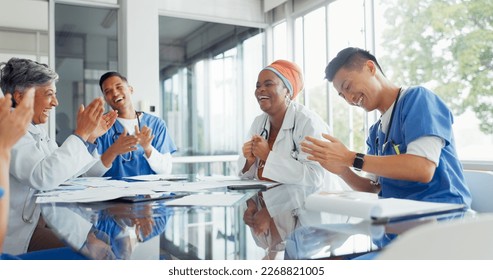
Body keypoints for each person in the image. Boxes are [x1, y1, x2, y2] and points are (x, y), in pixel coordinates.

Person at [301, 47, 471, 207]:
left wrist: (350, 157)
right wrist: (343, 170)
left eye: (348, 87)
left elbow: (422, 168)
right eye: (342, 95)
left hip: (441, 217)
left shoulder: (418, 99)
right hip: (398, 219)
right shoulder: (375, 132)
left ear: (370, 68)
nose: (350, 99)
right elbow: (375, 188)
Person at [0, 57, 117, 255]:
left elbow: (65, 173)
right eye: (49, 94)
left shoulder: (36, 132)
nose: (55, 102)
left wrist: (88, 138)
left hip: (42, 218)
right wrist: (80, 135)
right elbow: (43, 177)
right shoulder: (8, 129)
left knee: (104, 238)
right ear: (20, 97)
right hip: (20, 231)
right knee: (98, 252)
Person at [238, 60, 334, 252]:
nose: (260, 90)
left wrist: (268, 156)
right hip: (267, 201)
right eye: (257, 86)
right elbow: (247, 176)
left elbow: (314, 177)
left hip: (310, 213)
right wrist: (249, 163)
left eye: (268, 84)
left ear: (288, 91)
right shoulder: (259, 123)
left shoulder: (308, 122)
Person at [92, 71, 177, 178]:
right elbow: (90, 174)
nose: (115, 93)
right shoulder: (99, 126)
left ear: (130, 89)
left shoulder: (156, 124)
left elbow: (166, 170)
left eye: (119, 87)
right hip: (114, 193)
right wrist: (113, 151)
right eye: (108, 91)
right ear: (105, 99)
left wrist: (147, 148)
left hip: (148, 193)